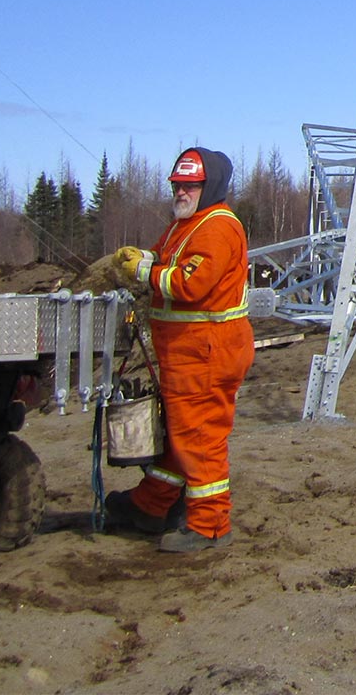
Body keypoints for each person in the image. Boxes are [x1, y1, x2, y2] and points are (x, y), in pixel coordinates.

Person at [104, 148, 254, 553]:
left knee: (199, 437)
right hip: (185, 353)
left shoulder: (218, 228)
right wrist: (145, 258)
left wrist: (142, 272)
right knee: (178, 435)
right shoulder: (184, 225)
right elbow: (167, 260)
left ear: (209, 188)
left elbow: (189, 284)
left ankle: (210, 524)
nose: (181, 191)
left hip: (207, 353)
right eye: (177, 185)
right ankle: (151, 505)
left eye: (189, 185)